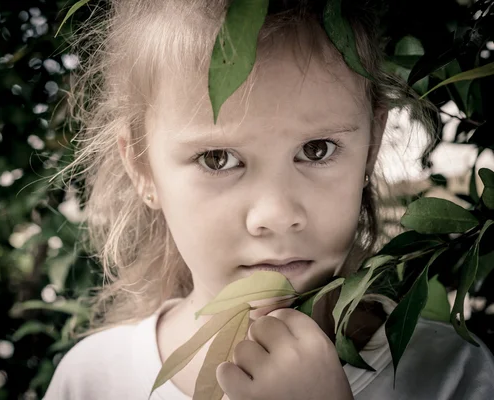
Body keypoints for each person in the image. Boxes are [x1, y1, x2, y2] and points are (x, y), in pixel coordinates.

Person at [44, 0, 494, 399]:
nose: (276, 216)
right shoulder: (93, 381)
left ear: (371, 145)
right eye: (218, 158)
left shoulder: (453, 375)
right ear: (142, 168)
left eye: (317, 150)